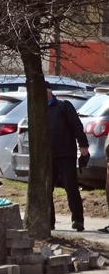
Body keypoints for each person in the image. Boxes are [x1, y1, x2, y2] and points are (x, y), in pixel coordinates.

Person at [47, 90, 89, 231]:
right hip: (47, 156)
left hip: (66, 154)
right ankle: (49, 221)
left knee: (71, 187)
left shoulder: (63, 106)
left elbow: (77, 125)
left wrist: (83, 145)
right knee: (46, 189)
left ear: (50, 92)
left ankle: (78, 220)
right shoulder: (38, 109)